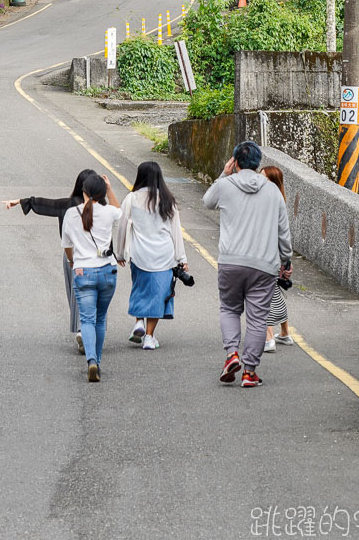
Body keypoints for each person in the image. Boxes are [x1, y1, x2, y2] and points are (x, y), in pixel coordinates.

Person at [203, 141, 292, 388]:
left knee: (230, 308)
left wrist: (224, 173)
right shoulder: (273, 191)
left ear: (236, 162)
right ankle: (249, 371)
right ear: (258, 163)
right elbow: (283, 232)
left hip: (231, 261)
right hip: (264, 265)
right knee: (257, 318)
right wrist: (285, 260)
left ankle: (232, 354)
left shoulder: (224, 185)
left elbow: (207, 202)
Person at [3, 171, 119, 354]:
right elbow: (117, 217)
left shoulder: (68, 207)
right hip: (103, 262)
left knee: (77, 297)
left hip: (75, 260)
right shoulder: (105, 210)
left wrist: (20, 201)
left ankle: (82, 331)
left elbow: (43, 204)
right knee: (100, 305)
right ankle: (95, 340)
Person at [115, 161, 187, 351]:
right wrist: (182, 259)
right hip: (164, 256)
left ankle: (139, 321)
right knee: (158, 295)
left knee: (140, 289)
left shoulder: (131, 199)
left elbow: (122, 226)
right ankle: (149, 336)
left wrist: (120, 252)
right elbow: (176, 232)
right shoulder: (168, 200)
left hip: (140, 254)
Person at [62, 172, 122, 382]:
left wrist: (73, 262)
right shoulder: (107, 213)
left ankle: (92, 361)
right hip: (107, 271)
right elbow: (119, 211)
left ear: (84, 192)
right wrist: (110, 187)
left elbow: (67, 246)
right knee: (100, 318)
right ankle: (97, 359)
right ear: (101, 193)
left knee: (86, 319)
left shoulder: (71, 214)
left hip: (83, 271)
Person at [261, 166, 294, 353]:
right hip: (275, 257)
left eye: (264, 178)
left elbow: (283, 234)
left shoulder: (270, 201)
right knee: (274, 293)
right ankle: (285, 333)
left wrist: (286, 260)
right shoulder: (278, 199)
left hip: (267, 257)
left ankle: (268, 338)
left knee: (260, 296)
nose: (260, 181)